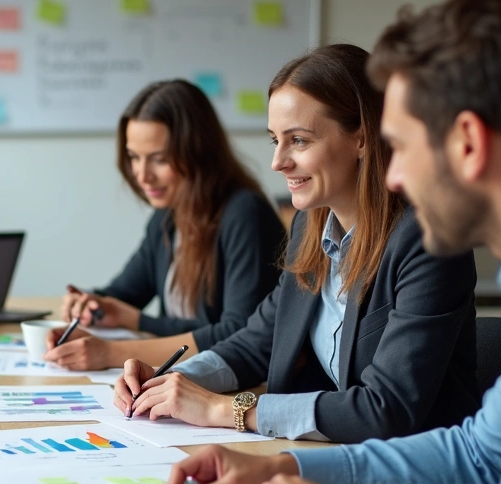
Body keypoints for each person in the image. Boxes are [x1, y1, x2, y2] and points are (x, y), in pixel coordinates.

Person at [166, 0, 501, 484]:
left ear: (468, 143)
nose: (394, 175)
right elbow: (480, 454)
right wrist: (286, 469)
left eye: (401, 147)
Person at [114, 44, 480, 444]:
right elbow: (257, 342)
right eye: (276, 140)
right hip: (338, 453)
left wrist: (225, 410)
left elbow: (386, 408)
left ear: (362, 138)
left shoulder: (426, 240)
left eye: (299, 141)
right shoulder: (311, 225)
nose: (278, 162)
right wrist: (168, 380)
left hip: (416, 469)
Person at [49, 80, 285, 370]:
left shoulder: (245, 213)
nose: (142, 175)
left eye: (159, 159)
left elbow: (239, 334)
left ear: (198, 153)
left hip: (238, 386)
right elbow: (124, 294)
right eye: (134, 157)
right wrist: (89, 303)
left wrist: (120, 342)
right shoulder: (167, 218)